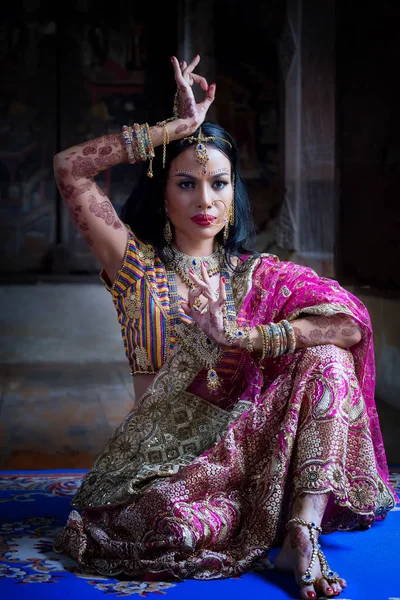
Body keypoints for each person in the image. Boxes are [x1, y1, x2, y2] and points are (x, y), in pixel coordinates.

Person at [52, 54, 396, 600]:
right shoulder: (136, 266)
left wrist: (247, 337)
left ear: (234, 194)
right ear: (163, 192)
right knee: (170, 529)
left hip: (256, 448)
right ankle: (262, 520)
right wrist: (176, 129)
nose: (205, 201)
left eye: (218, 183)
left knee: (326, 357)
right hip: (167, 468)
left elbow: (349, 325)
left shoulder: (261, 276)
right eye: (186, 183)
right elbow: (70, 167)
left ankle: (300, 532)